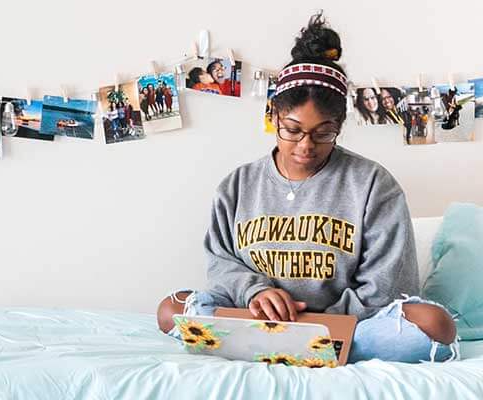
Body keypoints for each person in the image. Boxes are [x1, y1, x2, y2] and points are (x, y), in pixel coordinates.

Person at [156, 12, 458, 364]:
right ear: (273, 116)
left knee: (434, 324)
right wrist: (256, 292)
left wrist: (311, 323)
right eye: (292, 129)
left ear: (340, 126)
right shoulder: (237, 186)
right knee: (170, 309)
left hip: (345, 325)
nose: (305, 146)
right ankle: (295, 347)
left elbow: (386, 286)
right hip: (257, 318)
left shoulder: (374, 184)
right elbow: (222, 263)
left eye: (323, 133)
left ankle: (271, 346)